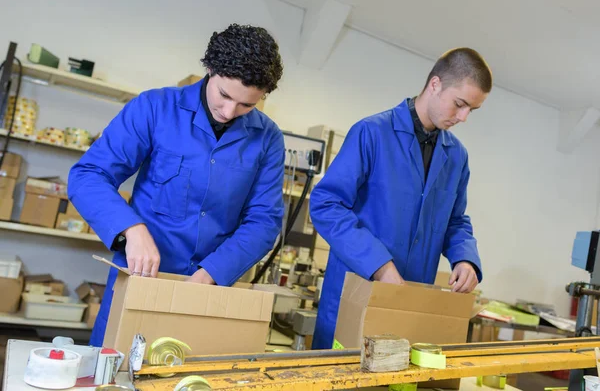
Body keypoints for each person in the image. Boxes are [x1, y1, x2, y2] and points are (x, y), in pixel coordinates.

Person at [68, 24, 285, 347]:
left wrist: (212, 272)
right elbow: (88, 175)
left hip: (212, 289)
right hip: (142, 281)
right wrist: (131, 229)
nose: (229, 112)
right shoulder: (154, 108)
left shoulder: (268, 138)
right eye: (224, 96)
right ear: (210, 69)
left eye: (246, 105)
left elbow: (264, 221)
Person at [309, 48, 492, 350]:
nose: (463, 118)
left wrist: (466, 259)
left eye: (472, 110)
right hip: (357, 295)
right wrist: (379, 266)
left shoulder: (457, 156)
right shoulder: (371, 133)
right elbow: (326, 205)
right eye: (460, 104)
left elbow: (455, 221)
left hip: (408, 305)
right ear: (435, 84)